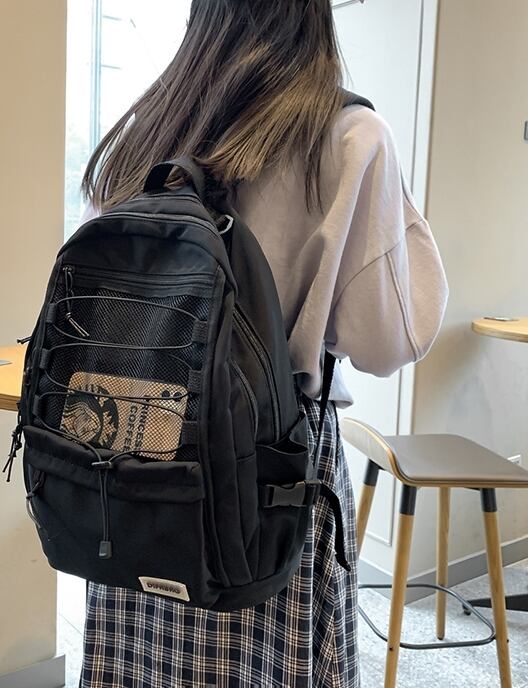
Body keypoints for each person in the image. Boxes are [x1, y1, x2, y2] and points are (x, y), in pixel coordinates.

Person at [78, 1, 448, 686]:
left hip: (137, 443)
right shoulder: (349, 135)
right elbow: (387, 341)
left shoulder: (148, 126)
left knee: (140, 652)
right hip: (269, 463)